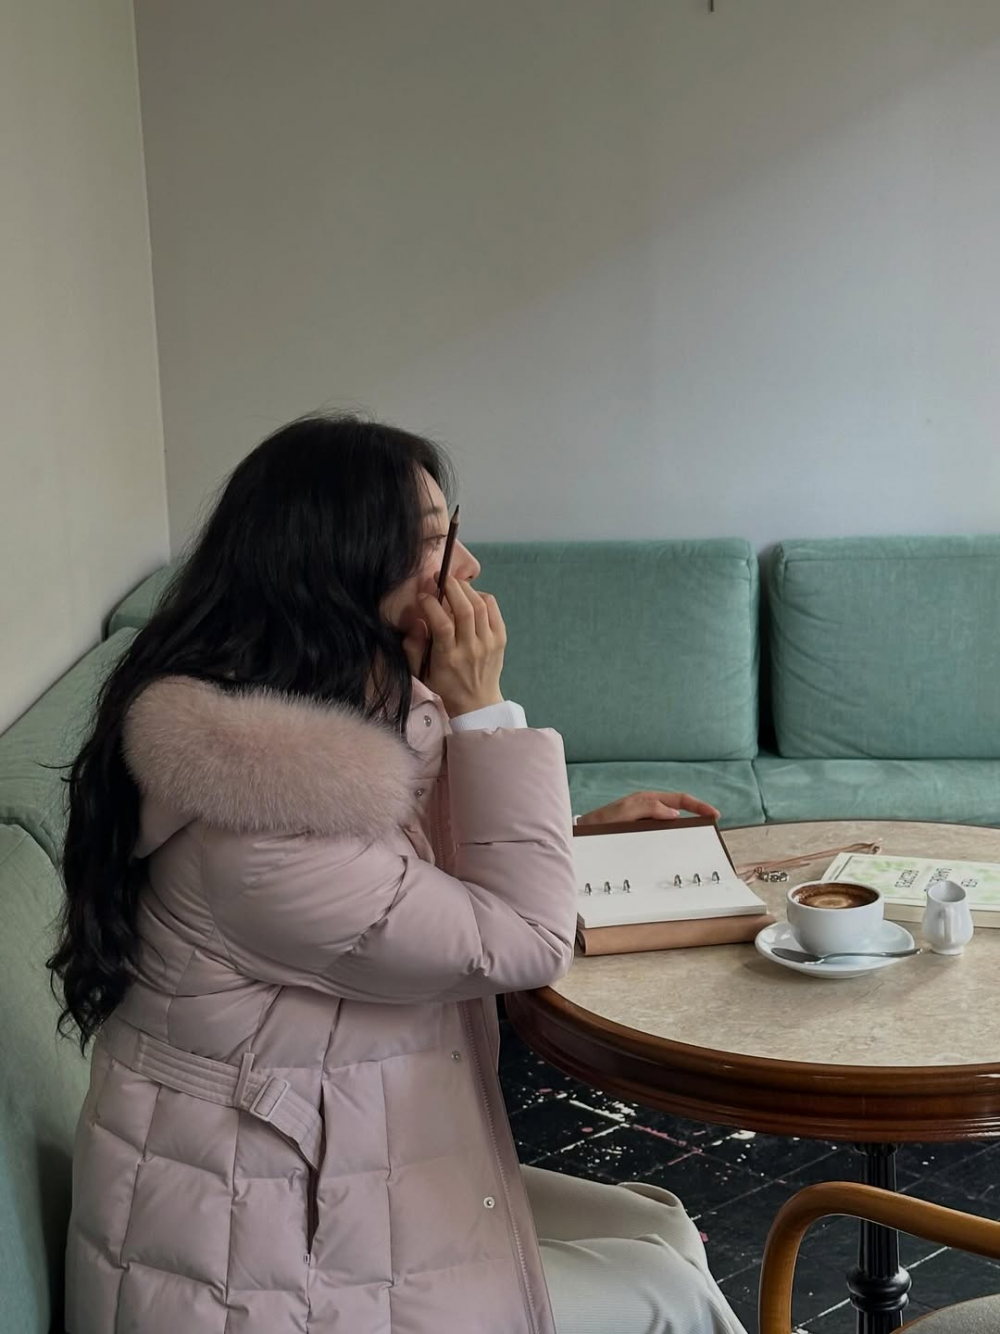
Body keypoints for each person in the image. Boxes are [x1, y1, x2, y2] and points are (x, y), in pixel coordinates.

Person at [50, 415, 746, 1334]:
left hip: (318, 1170)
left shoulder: (310, 718)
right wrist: (485, 712)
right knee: (667, 1291)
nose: (469, 566)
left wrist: (574, 838)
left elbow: (400, 878)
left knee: (659, 1224)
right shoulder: (259, 825)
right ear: (340, 562)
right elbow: (524, 940)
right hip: (254, 1270)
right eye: (433, 542)